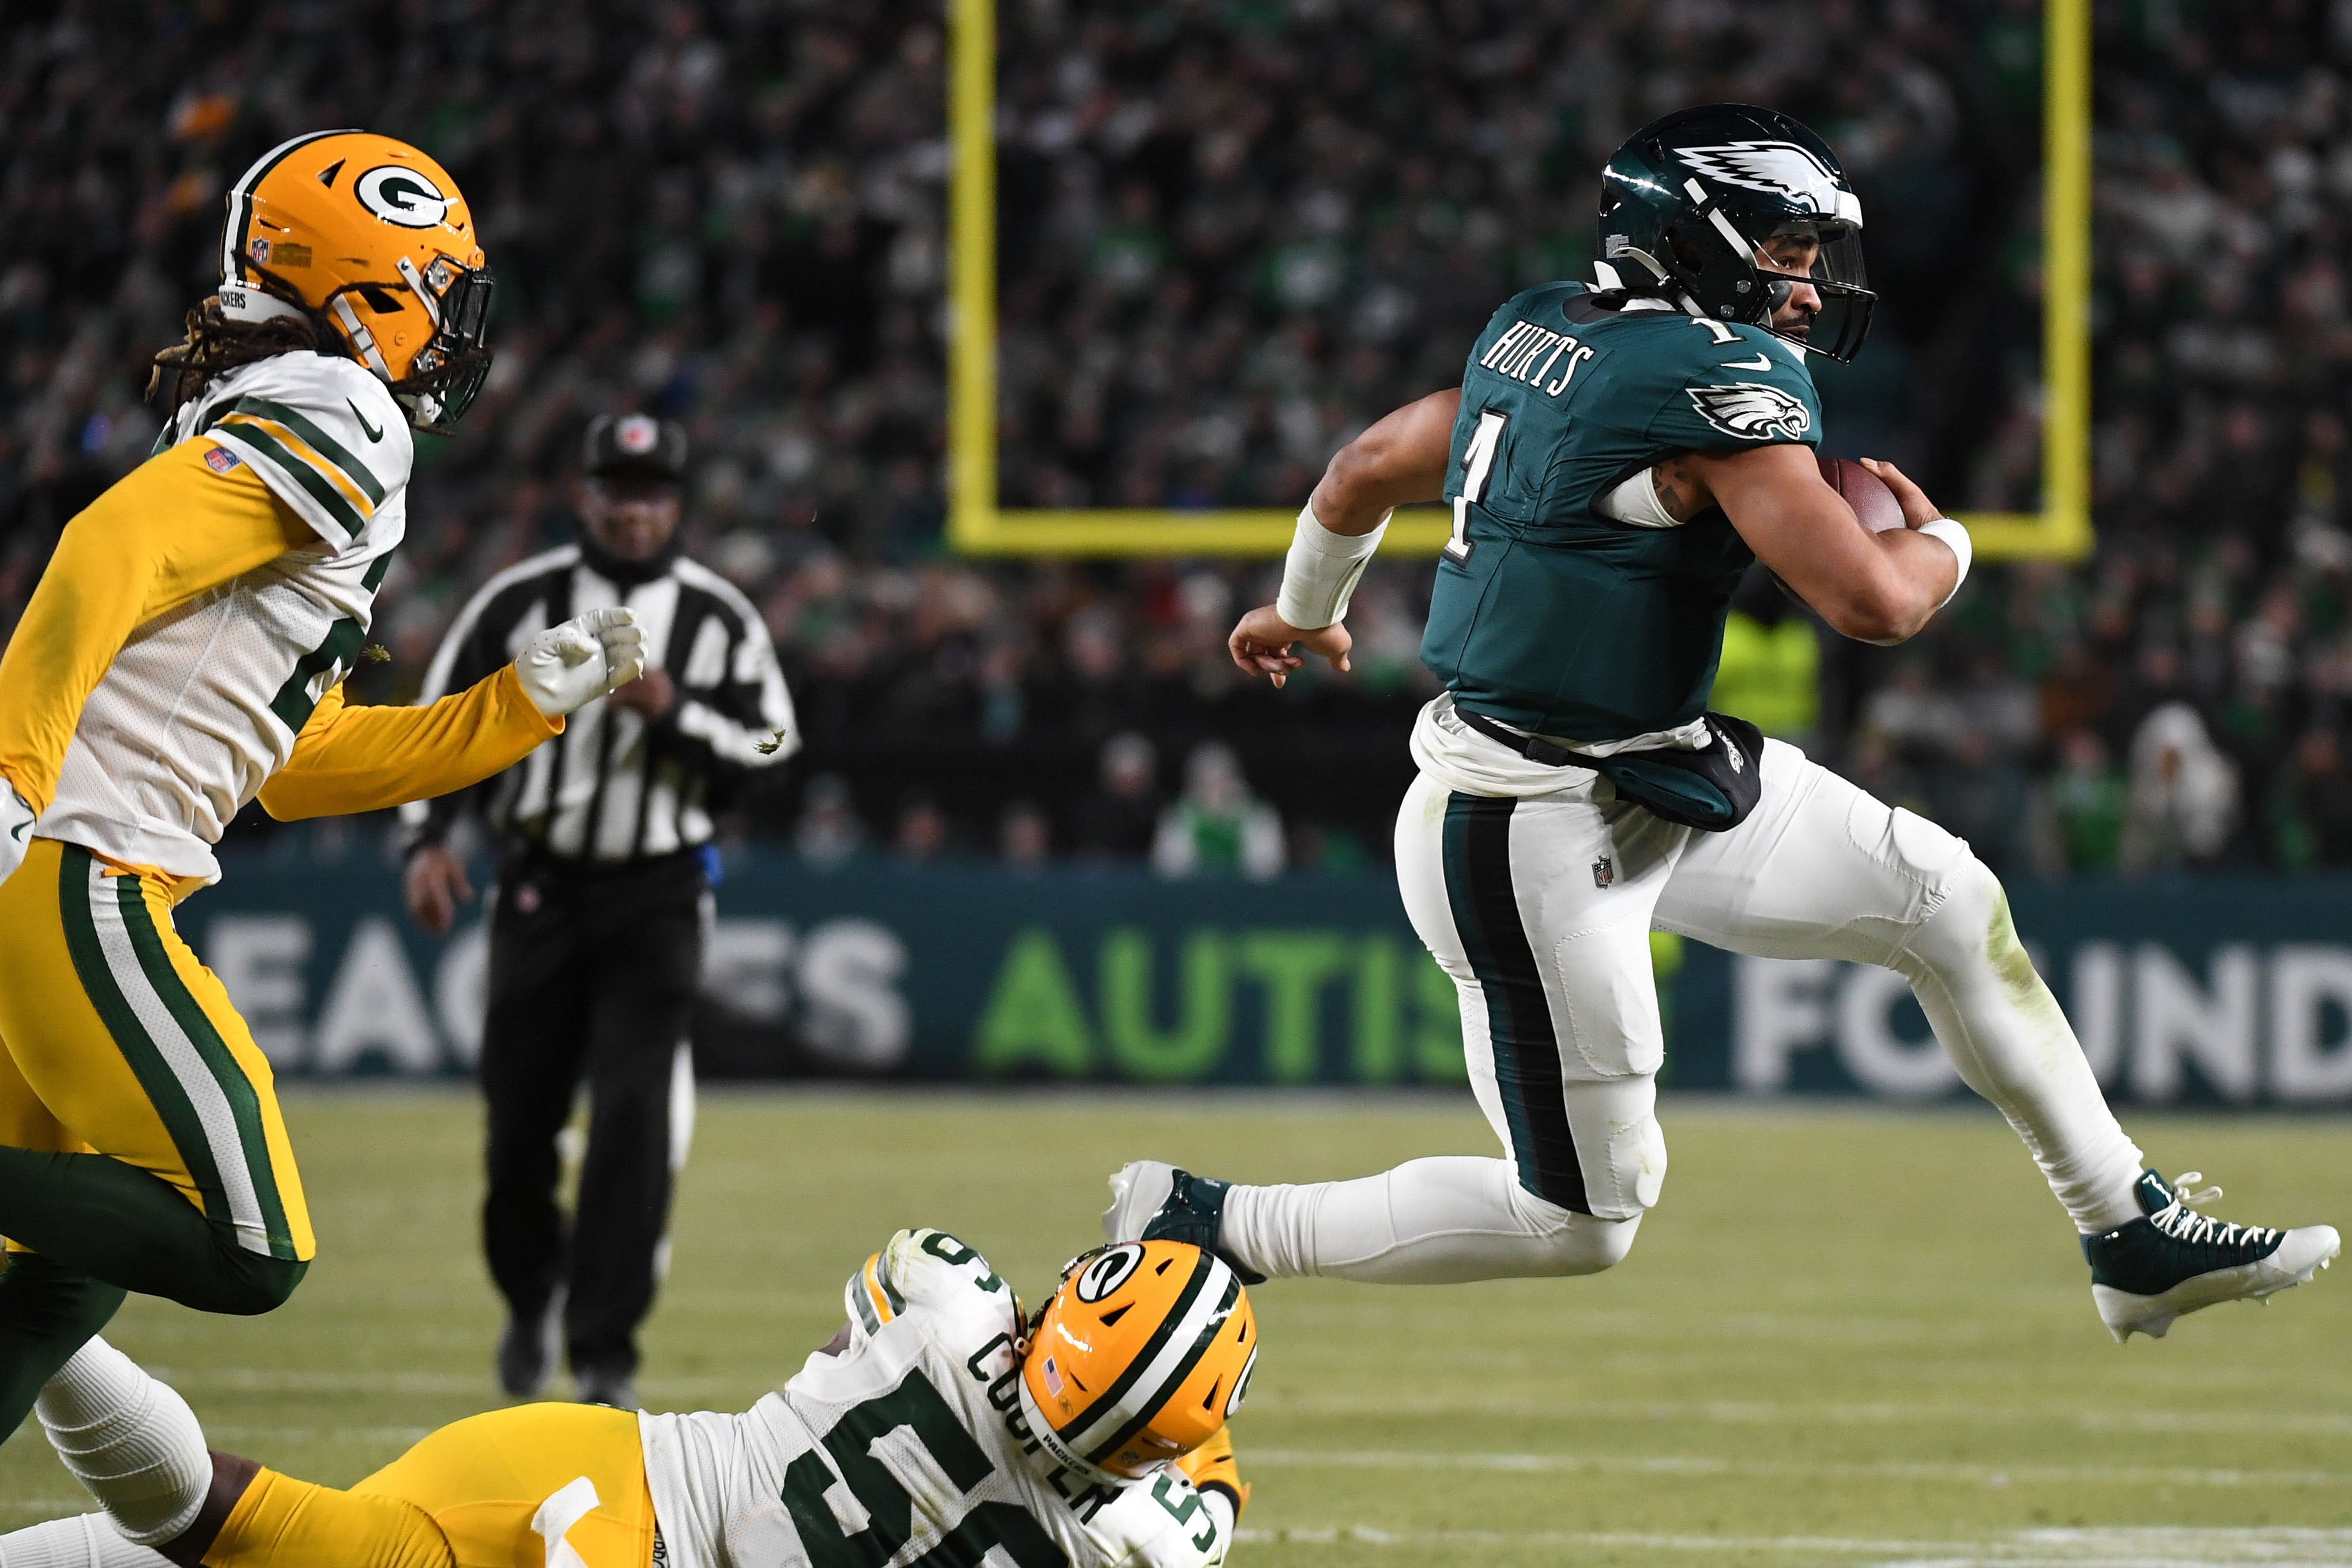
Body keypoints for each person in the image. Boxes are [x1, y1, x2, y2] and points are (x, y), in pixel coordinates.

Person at [1107, 104, 2339, 1343]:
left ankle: (2128, 1229)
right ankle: (1217, 1220)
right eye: (1786, 249)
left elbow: (1365, 466)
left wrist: (1302, 609)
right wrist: (1949, 543)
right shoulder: (1712, 380)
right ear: (1691, 240)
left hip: (1652, 770)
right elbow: (1874, 603)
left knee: (1947, 901)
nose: (1806, 285)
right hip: (1522, 820)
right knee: (1580, 1218)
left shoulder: (1540, 328)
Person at [0, 130, 643, 1441]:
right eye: (439, 290)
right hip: (77, 858)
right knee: (248, 1240)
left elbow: (288, 769)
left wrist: (515, 707)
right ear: (369, 281)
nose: (454, 329)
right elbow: (106, 545)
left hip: (67, 856)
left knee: (70, 1256)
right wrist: (11, 768)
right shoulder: (342, 405)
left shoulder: (262, 401)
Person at [0, 1230, 1253, 1568]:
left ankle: (40, 1310)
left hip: (601, 1466)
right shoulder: (1134, 1536)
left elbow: (842, 1351)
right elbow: (1196, 1498)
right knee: (250, 1535)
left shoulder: (950, 1292)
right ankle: (39, 1302)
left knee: (257, 1543)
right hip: (600, 1526)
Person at [399, 413, 796, 1410]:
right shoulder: (518, 602)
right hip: (539, 884)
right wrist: (428, 840)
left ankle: (605, 1353)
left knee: (632, 1119)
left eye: (651, 492)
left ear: (678, 504)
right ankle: (532, 1295)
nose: (633, 511)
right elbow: (437, 725)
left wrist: (678, 714)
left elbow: (774, 746)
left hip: (659, 894)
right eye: (617, 490)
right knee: (518, 1127)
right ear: (584, 496)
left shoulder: (718, 617)